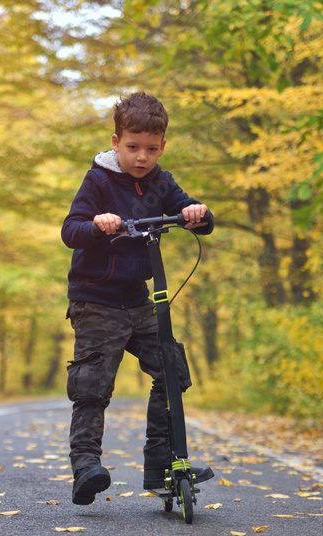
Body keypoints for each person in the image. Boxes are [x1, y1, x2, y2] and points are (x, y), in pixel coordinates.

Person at [61, 92, 215, 505]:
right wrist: (97, 224)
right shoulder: (98, 180)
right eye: (132, 147)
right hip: (95, 301)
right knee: (93, 384)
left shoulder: (161, 182)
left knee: (172, 369)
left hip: (138, 300)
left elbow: (193, 214)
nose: (141, 157)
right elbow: (70, 230)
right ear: (116, 143)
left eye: (150, 149)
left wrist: (198, 213)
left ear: (161, 146)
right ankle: (86, 466)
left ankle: (161, 463)